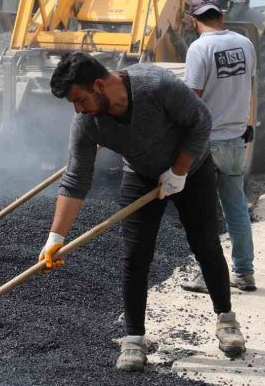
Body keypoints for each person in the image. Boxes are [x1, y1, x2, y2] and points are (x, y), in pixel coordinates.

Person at [40, 52, 246, 372]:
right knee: (135, 257)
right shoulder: (87, 123)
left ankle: (226, 320)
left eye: (80, 100)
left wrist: (179, 172)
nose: (78, 109)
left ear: (98, 85)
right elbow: (76, 179)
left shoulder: (155, 85)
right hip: (141, 175)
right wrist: (55, 237)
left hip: (192, 168)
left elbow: (201, 121)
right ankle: (134, 338)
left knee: (205, 244)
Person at [181, 0, 257, 293]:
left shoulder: (199, 49)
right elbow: (247, 87)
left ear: (193, 20)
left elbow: (192, 100)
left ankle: (207, 275)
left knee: (204, 214)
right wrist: (245, 124)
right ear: (221, 16)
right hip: (236, 140)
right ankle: (244, 272)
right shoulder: (245, 44)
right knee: (236, 207)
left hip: (207, 144)